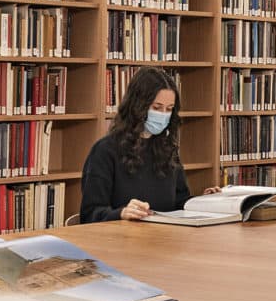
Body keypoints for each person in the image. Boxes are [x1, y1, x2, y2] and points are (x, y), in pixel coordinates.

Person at [80, 67, 205, 222]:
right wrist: (121, 213)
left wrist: (205, 203)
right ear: (138, 105)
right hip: (121, 240)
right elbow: (89, 214)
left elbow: (179, 203)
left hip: (165, 239)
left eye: (169, 109)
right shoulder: (104, 151)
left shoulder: (168, 150)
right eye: (157, 108)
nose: (163, 114)